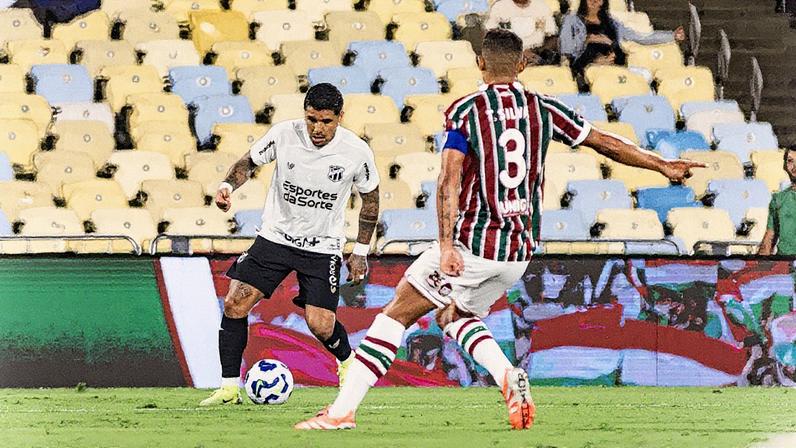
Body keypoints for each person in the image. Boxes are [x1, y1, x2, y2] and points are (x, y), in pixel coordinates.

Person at [295, 29, 704, 430]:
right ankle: (508, 376)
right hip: (518, 252)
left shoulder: (466, 110)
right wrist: (662, 165)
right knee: (454, 314)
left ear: (480, 63)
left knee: (395, 314)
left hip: (473, 245)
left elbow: (449, 180)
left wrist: (446, 246)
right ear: (523, 64)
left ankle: (341, 412)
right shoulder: (544, 108)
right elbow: (603, 141)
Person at [199, 83, 380, 406]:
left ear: (340, 117)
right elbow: (248, 163)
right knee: (235, 304)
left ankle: (348, 363)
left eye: (326, 121)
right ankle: (228, 389)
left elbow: (370, 200)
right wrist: (227, 185)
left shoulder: (356, 151)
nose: (317, 128)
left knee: (320, 324)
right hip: (276, 238)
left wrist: (361, 251)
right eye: (311, 119)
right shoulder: (284, 134)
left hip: (322, 247)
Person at [559, 0, 685, 74]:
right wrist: (587, 40)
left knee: (641, 73)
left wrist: (672, 35)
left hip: (613, 60)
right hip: (585, 62)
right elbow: (566, 50)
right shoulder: (572, 20)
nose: (594, 1)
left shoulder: (612, 23)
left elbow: (641, 37)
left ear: (603, 2)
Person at [484, 0, 558, 64]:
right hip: (507, 60)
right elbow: (489, 38)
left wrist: (536, 52)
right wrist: (515, 53)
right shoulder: (499, 7)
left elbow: (553, 39)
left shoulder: (542, 7)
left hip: (535, 60)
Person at [758, 147, 796, 256]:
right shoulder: (778, 199)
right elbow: (769, 239)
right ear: (785, 165)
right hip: (785, 261)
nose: (795, 166)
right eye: (790, 161)